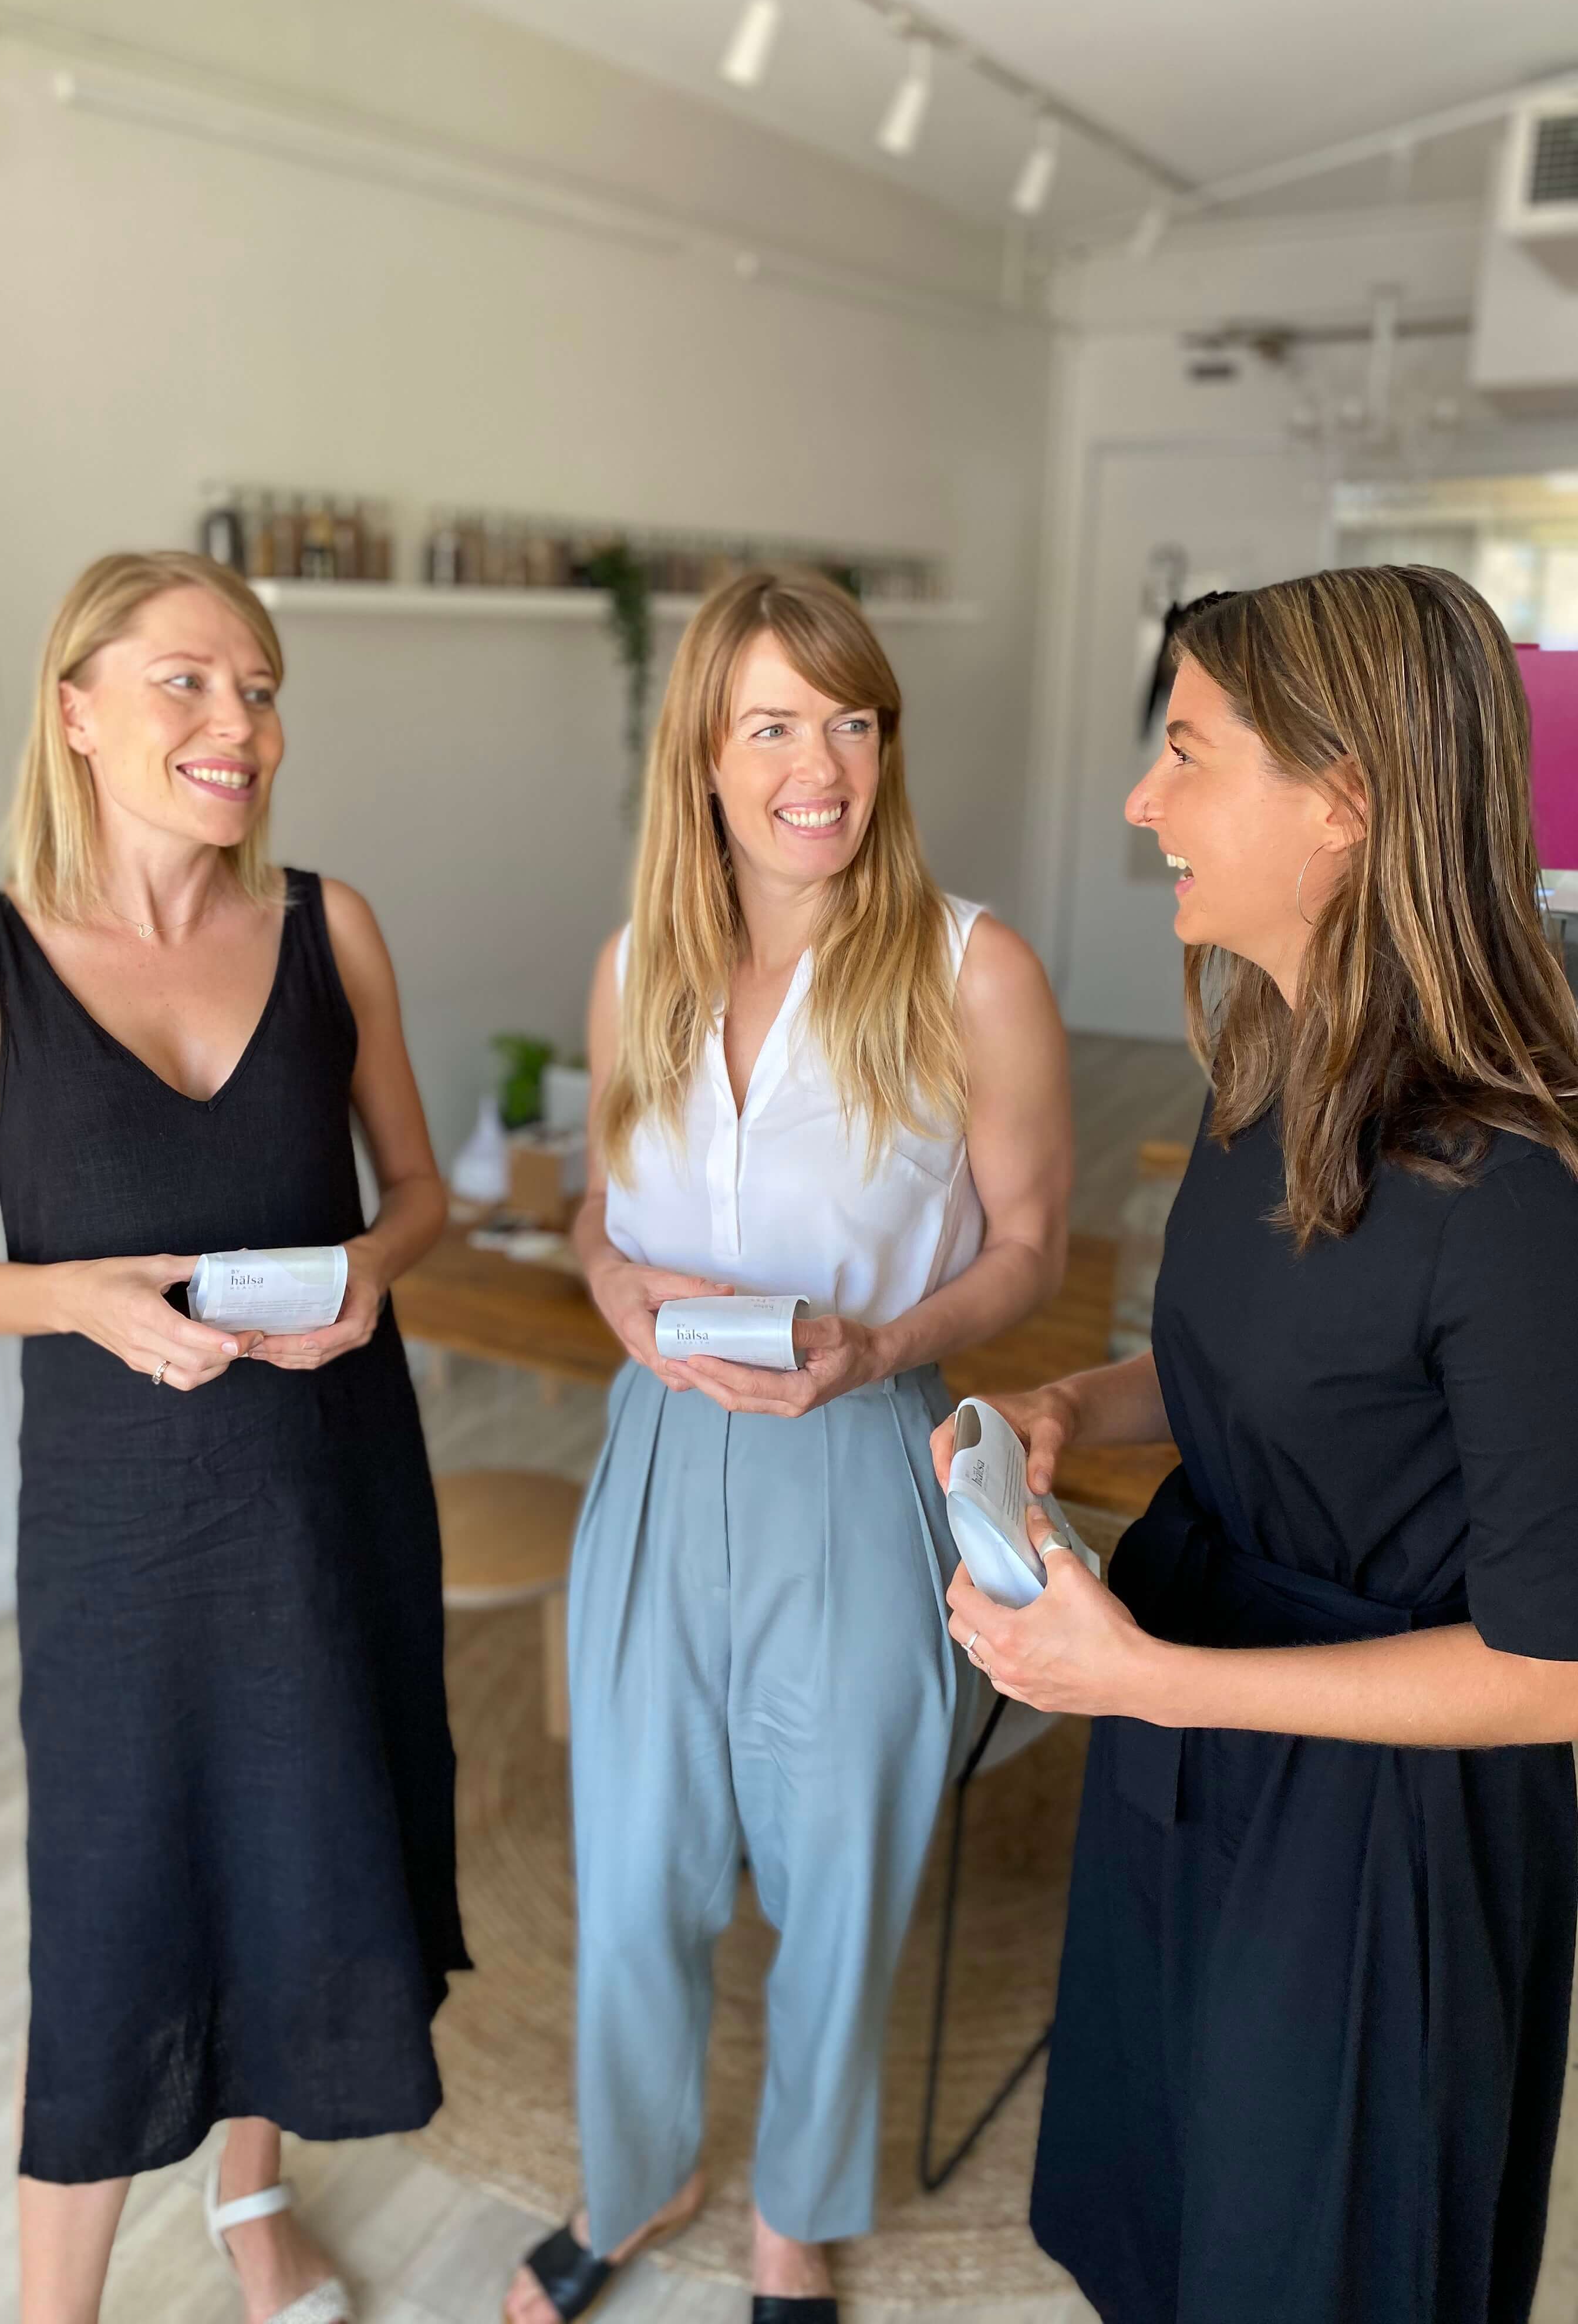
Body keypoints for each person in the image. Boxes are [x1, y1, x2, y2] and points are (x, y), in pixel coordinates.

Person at [938, 565, 1578, 2324]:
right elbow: (1292, 1361)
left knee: (1321, 2256)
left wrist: (1150, 1682)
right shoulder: (1269, 1069)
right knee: (1179, 2202)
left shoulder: (1514, 1197)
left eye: (1189, 753)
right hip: (1201, 1734)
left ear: (1346, 806)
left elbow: (1556, 1668)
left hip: (1384, 1838)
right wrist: (1086, 1406)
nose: (1145, 802)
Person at [0, 551, 468, 2324]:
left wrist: (373, 1266)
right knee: (117, 1901)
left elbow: (425, 1191)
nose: (240, 727)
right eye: (189, 685)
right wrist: (80, 1299)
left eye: (262, 691)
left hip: (329, 1489)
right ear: (76, 712)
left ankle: (252, 2205)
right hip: (119, 1524)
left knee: (308, 1848)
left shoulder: (328, 927)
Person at [504, 569, 1071, 2324]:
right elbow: (603, 1213)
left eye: (851, 719)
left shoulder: (974, 967)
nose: (820, 762)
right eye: (773, 724)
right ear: (709, 753)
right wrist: (609, 1285)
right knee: (635, 1867)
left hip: (855, 1461)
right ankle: (639, 2171)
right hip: (660, 1460)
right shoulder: (632, 971)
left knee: (842, 1877)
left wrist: (889, 1344)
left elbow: (1032, 1241)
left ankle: (794, 2218)